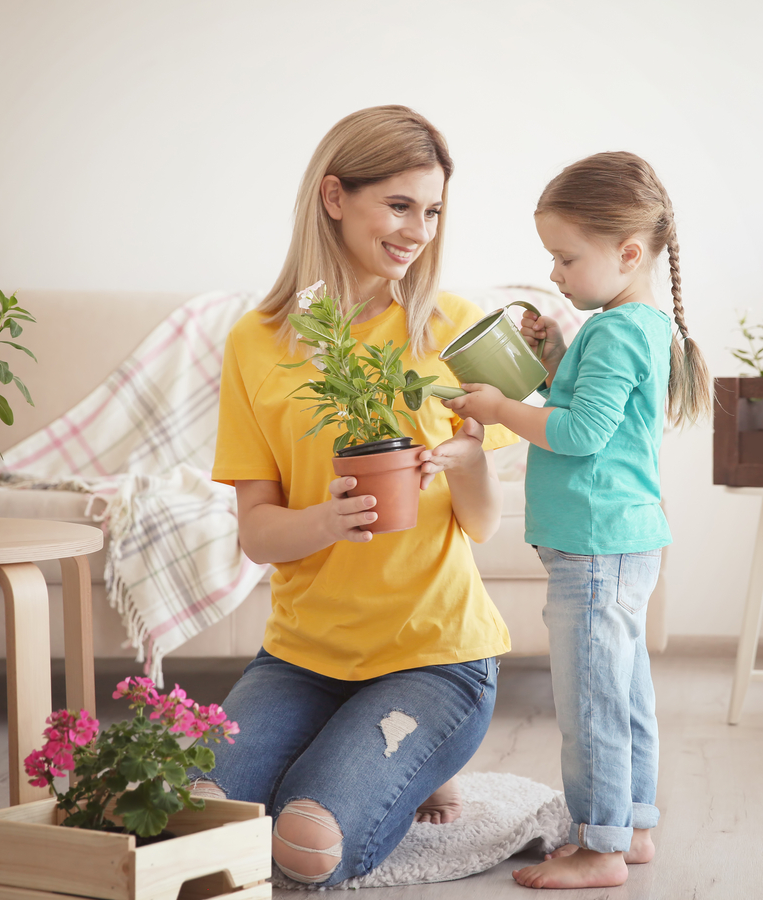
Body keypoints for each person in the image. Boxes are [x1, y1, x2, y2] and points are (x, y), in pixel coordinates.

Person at [193, 105, 518, 886]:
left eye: (432, 210)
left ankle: (410, 760)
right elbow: (259, 533)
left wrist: (470, 460)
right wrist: (328, 520)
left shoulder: (463, 328)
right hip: (301, 658)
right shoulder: (255, 341)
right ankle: (372, 753)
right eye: (399, 205)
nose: (418, 230)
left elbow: (484, 523)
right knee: (196, 821)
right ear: (334, 197)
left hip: (437, 658)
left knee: (306, 843)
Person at [444, 151, 711, 890]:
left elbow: (581, 434)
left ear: (629, 252)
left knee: (592, 702)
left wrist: (498, 408)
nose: (556, 275)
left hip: (595, 546)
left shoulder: (620, 329)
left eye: (566, 258)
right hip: (622, 540)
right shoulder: (634, 323)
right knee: (623, 692)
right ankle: (634, 824)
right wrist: (557, 354)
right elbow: (600, 410)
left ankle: (599, 847)